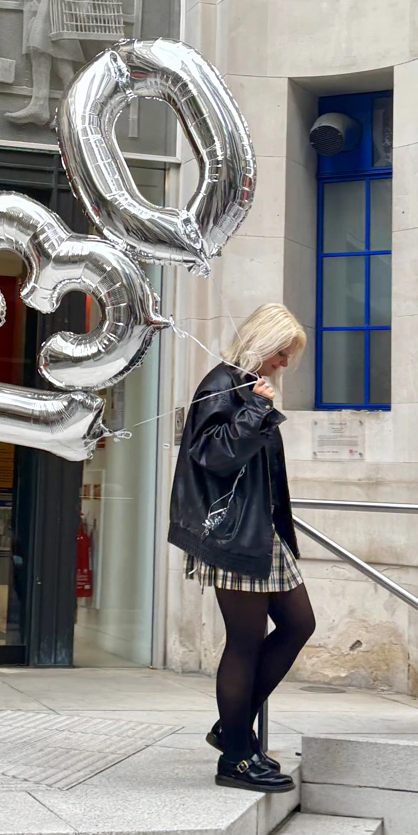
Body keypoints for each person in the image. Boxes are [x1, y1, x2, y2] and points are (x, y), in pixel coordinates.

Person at [167, 303, 312, 794]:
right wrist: (256, 409)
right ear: (261, 343)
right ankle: (234, 756)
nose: (284, 363)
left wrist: (257, 406)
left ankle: (231, 730)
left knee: (298, 624)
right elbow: (213, 456)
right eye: (281, 352)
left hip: (257, 532)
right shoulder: (223, 385)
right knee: (246, 641)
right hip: (234, 534)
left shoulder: (243, 385)